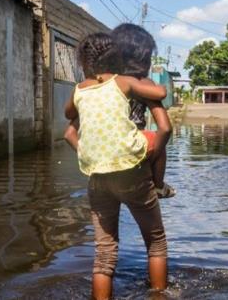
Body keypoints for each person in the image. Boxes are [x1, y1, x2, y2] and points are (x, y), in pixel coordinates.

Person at [64, 33, 170, 300]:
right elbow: (161, 96)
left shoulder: (80, 91)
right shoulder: (122, 83)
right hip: (132, 172)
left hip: (97, 175)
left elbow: (68, 125)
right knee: (156, 242)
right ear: (117, 58)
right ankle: (158, 295)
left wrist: (89, 153)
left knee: (104, 253)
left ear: (84, 63)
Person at [65, 23, 176, 199]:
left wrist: (88, 154)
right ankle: (159, 186)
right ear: (144, 59)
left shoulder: (95, 89)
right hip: (135, 158)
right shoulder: (143, 84)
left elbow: (69, 134)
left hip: (100, 164)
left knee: (105, 222)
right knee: (150, 225)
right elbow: (165, 128)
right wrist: (153, 158)